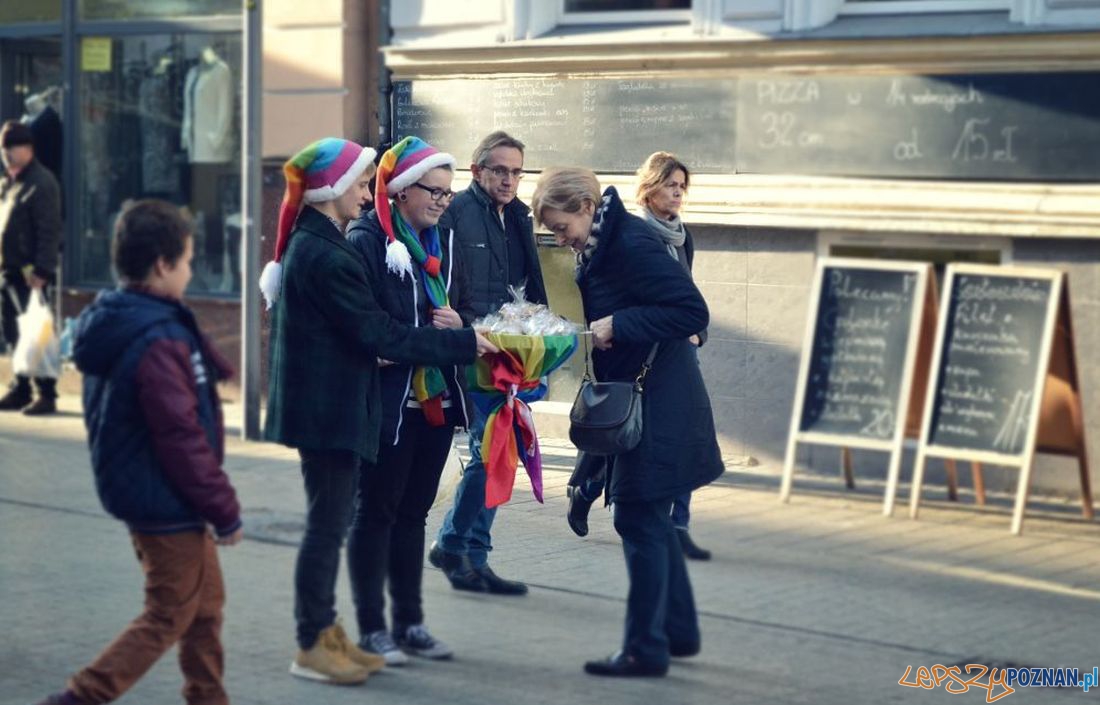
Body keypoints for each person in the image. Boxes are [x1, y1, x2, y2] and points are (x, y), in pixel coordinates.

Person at [260, 138, 497, 685]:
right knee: (328, 529)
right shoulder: (329, 252)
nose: (370, 194)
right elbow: (375, 332)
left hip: (335, 409)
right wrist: (465, 344)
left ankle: (326, 631)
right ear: (332, 188)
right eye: (364, 183)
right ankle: (313, 643)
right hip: (331, 413)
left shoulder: (319, 244)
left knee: (335, 524)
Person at [36, 200, 243, 705]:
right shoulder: (155, 337)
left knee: (206, 606)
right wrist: (225, 509)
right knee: (168, 613)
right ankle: (80, 697)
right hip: (166, 499)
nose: (192, 270)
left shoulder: (130, 318)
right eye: (189, 260)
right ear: (162, 266)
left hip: (156, 493)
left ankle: (208, 697)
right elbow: (181, 438)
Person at [531, 167, 724, 678]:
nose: (558, 238)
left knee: (636, 519)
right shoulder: (603, 241)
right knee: (650, 520)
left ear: (586, 207)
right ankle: (676, 632)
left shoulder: (630, 242)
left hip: (659, 402)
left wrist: (621, 324)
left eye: (560, 227)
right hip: (650, 398)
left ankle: (645, 649)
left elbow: (691, 310)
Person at [345, 136, 472, 666]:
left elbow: (459, 310)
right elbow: (367, 330)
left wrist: (459, 325)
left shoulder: (442, 242)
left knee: (414, 513)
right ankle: (373, 629)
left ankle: (411, 623)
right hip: (387, 405)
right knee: (375, 513)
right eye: (433, 191)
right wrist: (436, 335)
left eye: (448, 192)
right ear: (399, 191)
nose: (443, 202)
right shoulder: (367, 241)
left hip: (434, 402)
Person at [566, 152, 712, 561]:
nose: (679, 192)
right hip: (635, 358)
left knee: (676, 439)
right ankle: (586, 488)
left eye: (683, 186)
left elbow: (687, 295)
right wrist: (621, 327)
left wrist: (696, 332)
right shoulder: (630, 235)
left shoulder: (683, 236)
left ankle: (677, 525)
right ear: (650, 188)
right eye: (671, 184)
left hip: (675, 349)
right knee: (619, 431)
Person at [427, 131, 547, 596]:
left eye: (517, 171)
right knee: (487, 453)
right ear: (477, 171)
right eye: (499, 170)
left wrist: (540, 336)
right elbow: (442, 278)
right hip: (473, 352)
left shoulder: (519, 217)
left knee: (504, 454)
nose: (509, 179)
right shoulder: (455, 214)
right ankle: (457, 546)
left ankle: (470, 554)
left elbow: (530, 286)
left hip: (514, 354)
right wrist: (458, 328)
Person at [0, 119, 62, 415]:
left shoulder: (42, 182)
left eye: (12, 147)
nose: (7, 153)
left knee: (37, 333)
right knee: (14, 332)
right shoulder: (9, 183)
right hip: (9, 271)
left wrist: (42, 270)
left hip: (30, 274)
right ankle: (20, 387)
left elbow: (49, 230)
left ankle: (46, 393)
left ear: (28, 149)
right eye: (4, 147)